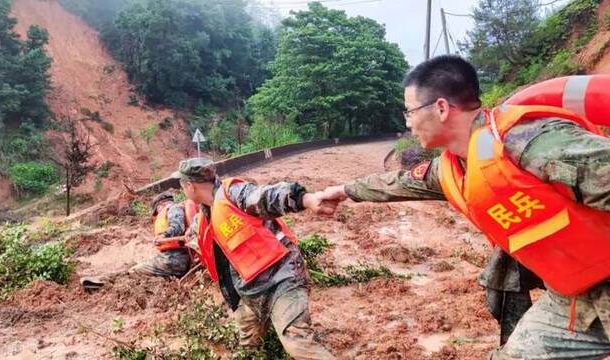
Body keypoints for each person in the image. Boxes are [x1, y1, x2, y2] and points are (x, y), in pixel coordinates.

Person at [319, 55, 610, 359]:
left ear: (441, 108)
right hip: (576, 302)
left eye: (410, 112)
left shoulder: (528, 141)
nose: (407, 122)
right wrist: (342, 191)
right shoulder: (455, 166)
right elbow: (400, 182)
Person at [173, 158, 336, 359]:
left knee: (297, 343)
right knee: (248, 347)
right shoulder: (206, 209)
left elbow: (266, 196)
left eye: (181, 185)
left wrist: (305, 199)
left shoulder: (232, 194)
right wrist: (191, 231)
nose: (182, 191)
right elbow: (204, 225)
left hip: (281, 280)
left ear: (190, 185)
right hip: (249, 290)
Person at [130, 192, 197, 278]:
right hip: (172, 258)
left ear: (160, 205)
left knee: (134, 270)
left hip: (175, 260)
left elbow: (178, 226)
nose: (157, 214)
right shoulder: (172, 210)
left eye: (157, 211)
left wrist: (164, 235)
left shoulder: (173, 208)